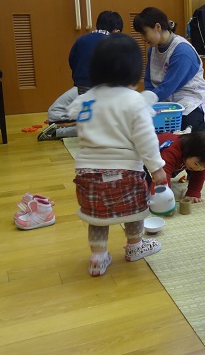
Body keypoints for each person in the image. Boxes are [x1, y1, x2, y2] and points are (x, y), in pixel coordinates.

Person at [67, 33, 166, 277]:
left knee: (97, 217)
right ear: (134, 71)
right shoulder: (134, 101)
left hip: (87, 173)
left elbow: (71, 111)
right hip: (125, 172)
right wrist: (156, 167)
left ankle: (97, 257)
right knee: (135, 211)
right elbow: (145, 138)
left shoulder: (86, 100)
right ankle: (135, 246)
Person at [133, 7, 205, 136]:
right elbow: (149, 81)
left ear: (157, 27)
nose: (143, 38)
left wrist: (146, 100)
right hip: (165, 102)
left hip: (189, 101)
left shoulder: (182, 51)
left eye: (144, 33)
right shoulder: (152, 49)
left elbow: (169, 86)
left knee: (186, 131)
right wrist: (149, 103)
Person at [38, 10, 123, 141]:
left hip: (81, 89)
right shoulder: (115, 43)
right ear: (116, 31)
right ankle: (92, 125)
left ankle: (68, 128)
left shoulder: (81, 39)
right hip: (105, 93)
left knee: (54, 112)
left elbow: (72, 60)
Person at [154, 130, 205, 206]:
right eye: (196, 163)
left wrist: (193, 192)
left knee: (195, 170)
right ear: (188, 150)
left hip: (180, 162)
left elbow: (199, 174)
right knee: (150, 188)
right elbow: (163, 175)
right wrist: (166, 198)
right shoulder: (172, 152)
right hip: (151, 160)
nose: (199, 168)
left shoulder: (198, 161)